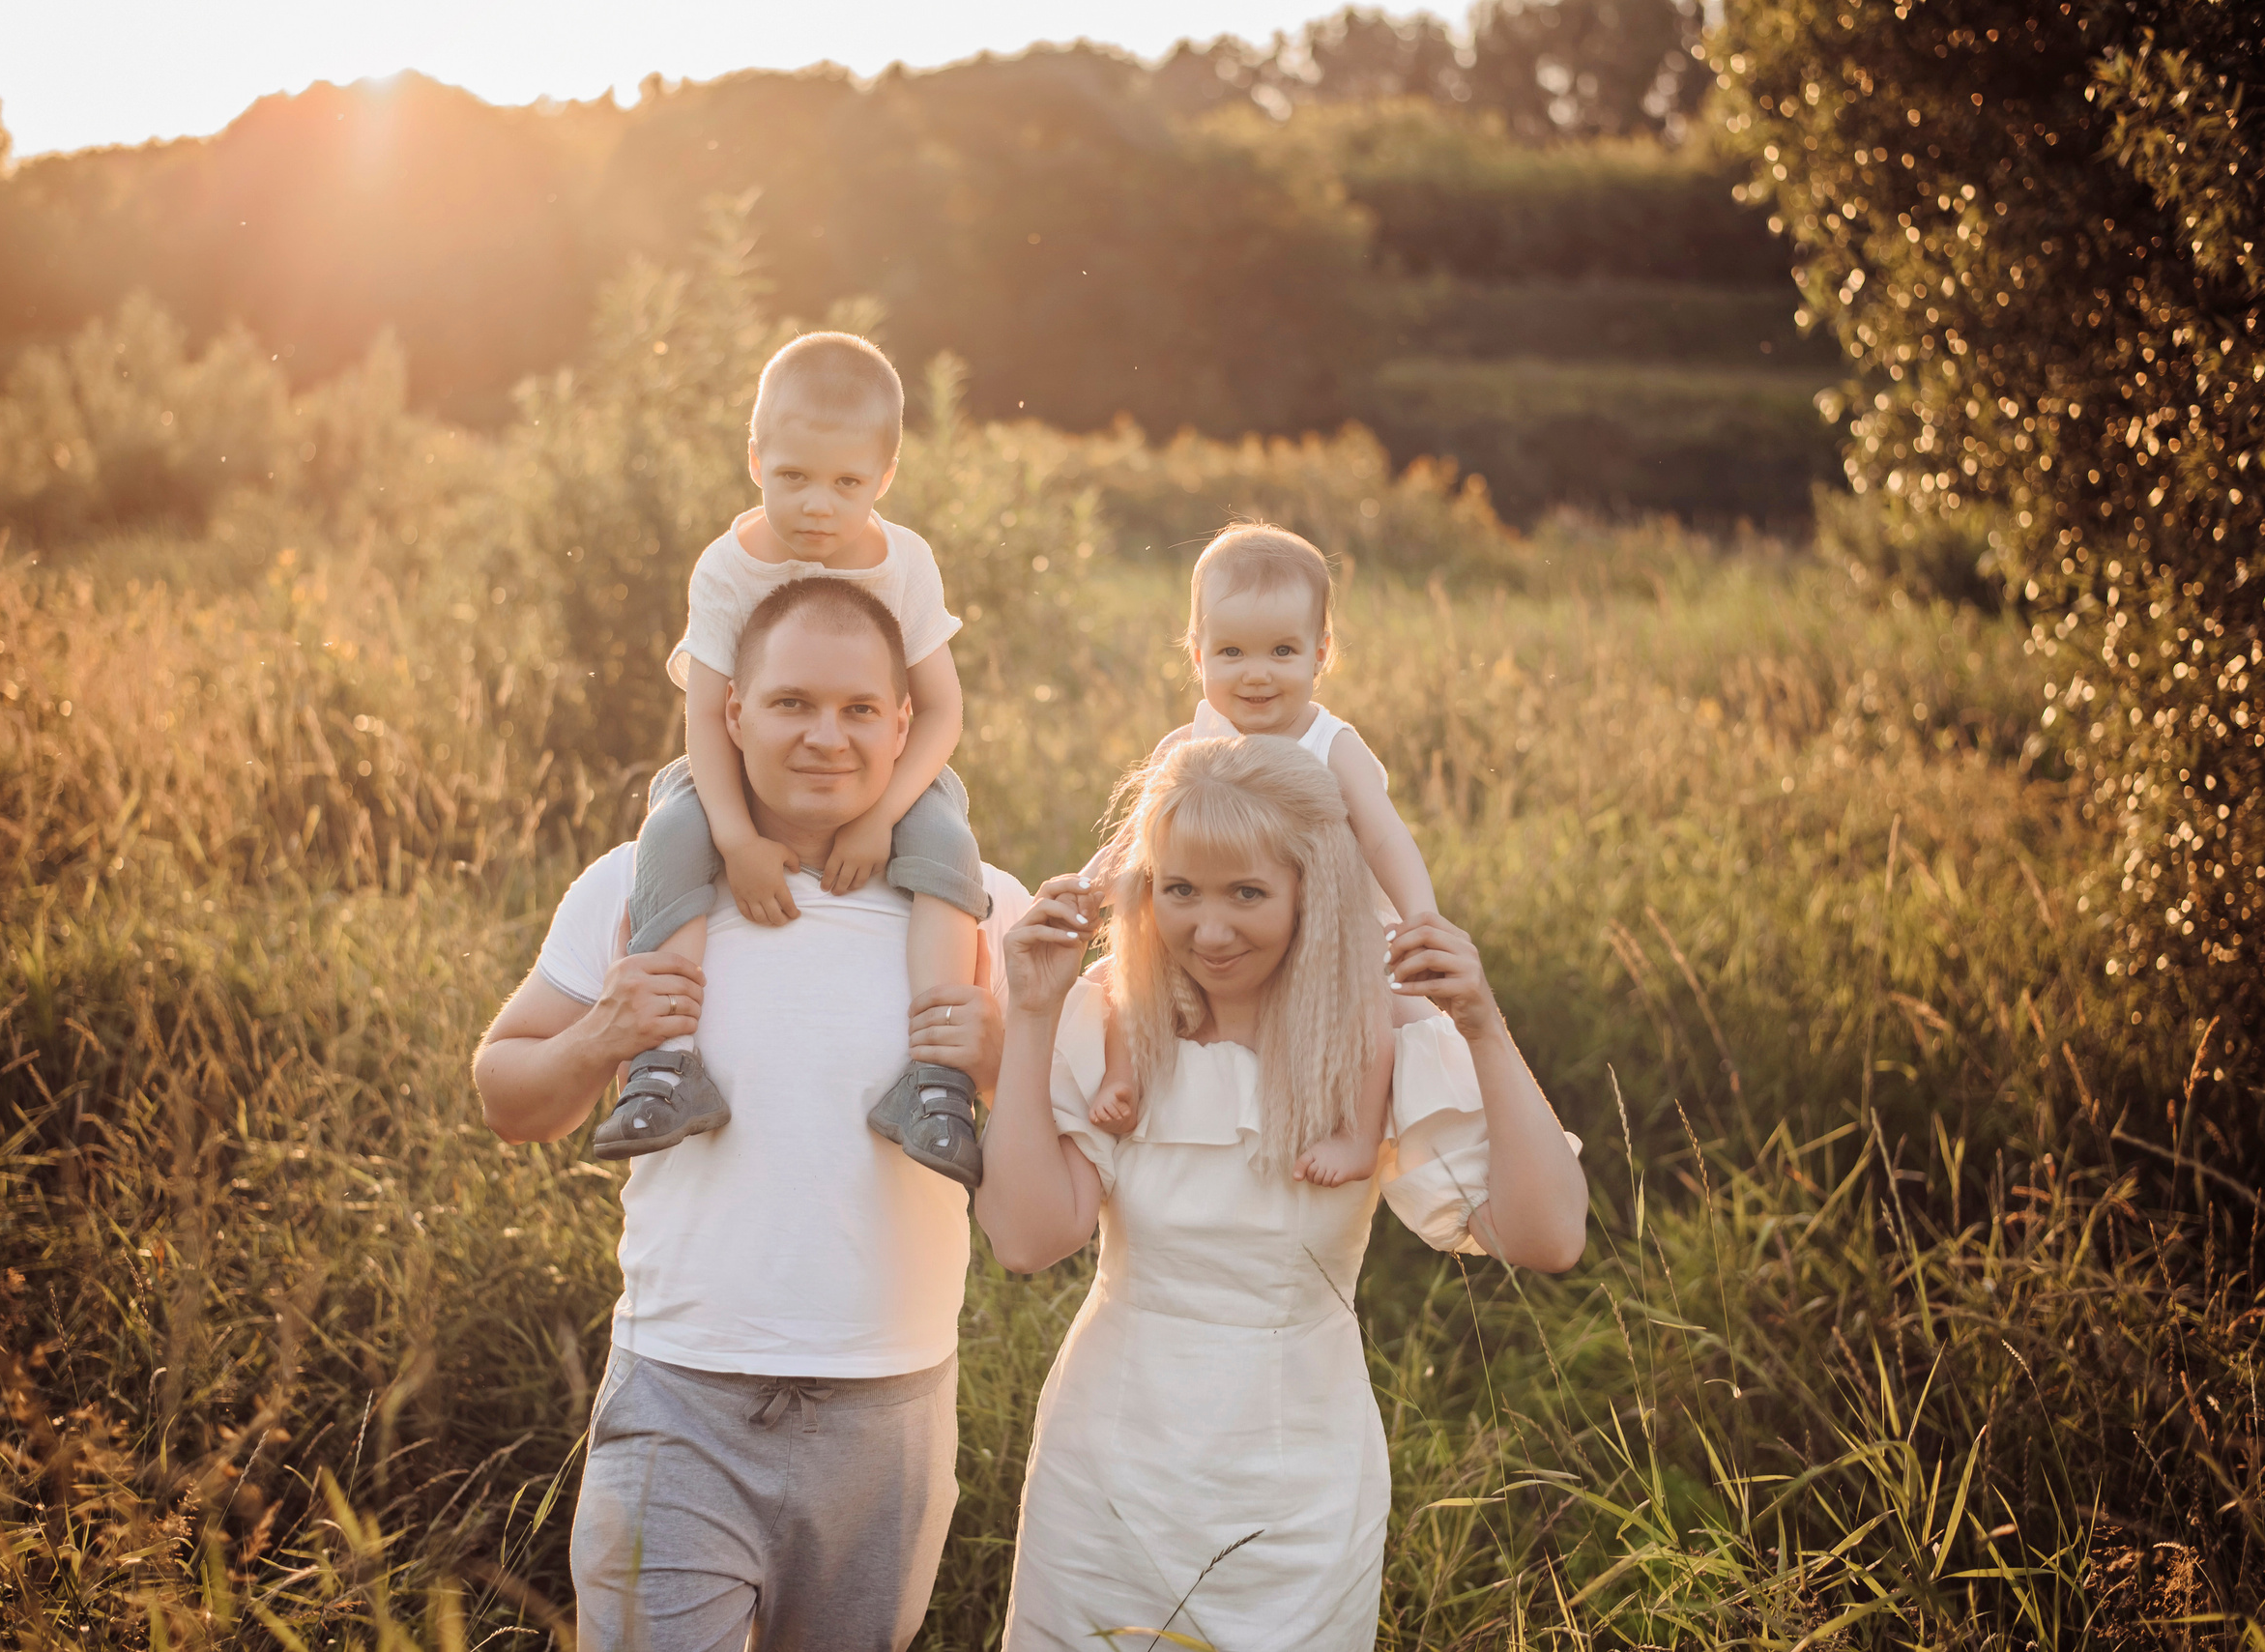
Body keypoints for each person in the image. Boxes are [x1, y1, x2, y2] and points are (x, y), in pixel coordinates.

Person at [474, 579, 1025, 1652]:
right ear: (732, 713)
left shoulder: (972, 907)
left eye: (861, 709)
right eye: (791, 703)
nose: (827, 736)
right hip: (681, 1396)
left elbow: (1070, 1141)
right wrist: (600, 1037)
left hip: (891, 1407)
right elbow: (503, 1090)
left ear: (904, 722)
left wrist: (1004, 1057)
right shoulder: (641, 884)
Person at [979, 735, 1585, 1650]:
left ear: (1315, 891)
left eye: (1247, 893)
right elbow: (1026, 1240)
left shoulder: (1375, 1034)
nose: (1208, 931)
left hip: (1299, 1483)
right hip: (1107, 1470)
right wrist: (1030, 1015)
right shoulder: (1116, 1016)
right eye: (1180, 890)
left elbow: (1547, 1236)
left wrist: (1484, 1025)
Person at [593, 331, 989, 1190]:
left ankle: (935, 1078)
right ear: (755, 459)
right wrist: (732, 838)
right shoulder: (730, 569)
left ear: (884, 477)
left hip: (885, 773)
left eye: (848, 483)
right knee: (668, 832)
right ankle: (667, 1066)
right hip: (738, 767)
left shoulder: (905, 562)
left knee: (949, 845)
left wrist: (884, 816)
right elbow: (705, 715)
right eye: (794, 477)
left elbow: (943, 707)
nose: (818, 505)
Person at [1080, 521, 1437, 1188]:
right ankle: (1125, 1076)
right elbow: (1137, 839)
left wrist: (1421, 916)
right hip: (1224, 918)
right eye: (1232, 651)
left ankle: (1358, 1133)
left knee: (1373, 1004)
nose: (1257, 674)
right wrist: (1091, 884)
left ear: (1321, 653)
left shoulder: (1332, 744)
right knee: (1124, 967)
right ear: (1197, 654)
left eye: (1281, 650)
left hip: (1331, 928)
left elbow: (1385, 835)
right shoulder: (1187, 744)